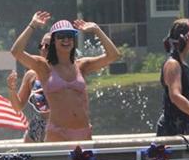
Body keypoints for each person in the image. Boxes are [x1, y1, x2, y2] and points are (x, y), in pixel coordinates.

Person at [9, 11, 121, 142]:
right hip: (58, 133)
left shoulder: (82, 65)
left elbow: (114, 55)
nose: (66, 39)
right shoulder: (43, 67)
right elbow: (16, 51)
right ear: (54, 41)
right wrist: (32, 25)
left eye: (69, 35)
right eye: (61, 36)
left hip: (84, 131)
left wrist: (96, 29)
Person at [154, 18, 189, 136]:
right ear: (186, 38)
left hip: (186, 129)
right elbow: (175, 96)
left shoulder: (183, 65)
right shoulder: (173, 64)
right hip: (174, 131)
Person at [7, 33, 51, 142]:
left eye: (48, 46)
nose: (44, 49)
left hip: (56, 130)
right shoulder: (31, 75)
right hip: (34, 131)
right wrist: (11, 89)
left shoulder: (65, 72)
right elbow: (18, 107)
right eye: (41, 46)